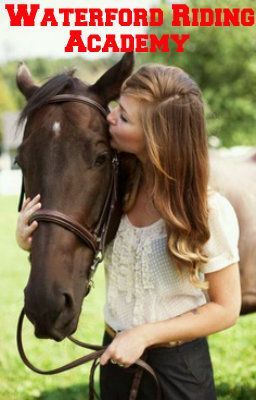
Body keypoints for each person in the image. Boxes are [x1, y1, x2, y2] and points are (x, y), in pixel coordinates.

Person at [16, 64, 241, 400]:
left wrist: (145, 335)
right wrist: (30, 239)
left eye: (123, 116)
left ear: (157, 135)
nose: (109, 117)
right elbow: (75, 231)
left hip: (180, 373)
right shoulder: (117, 195)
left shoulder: (207, 210)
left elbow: (226, 308)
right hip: (116, 361)